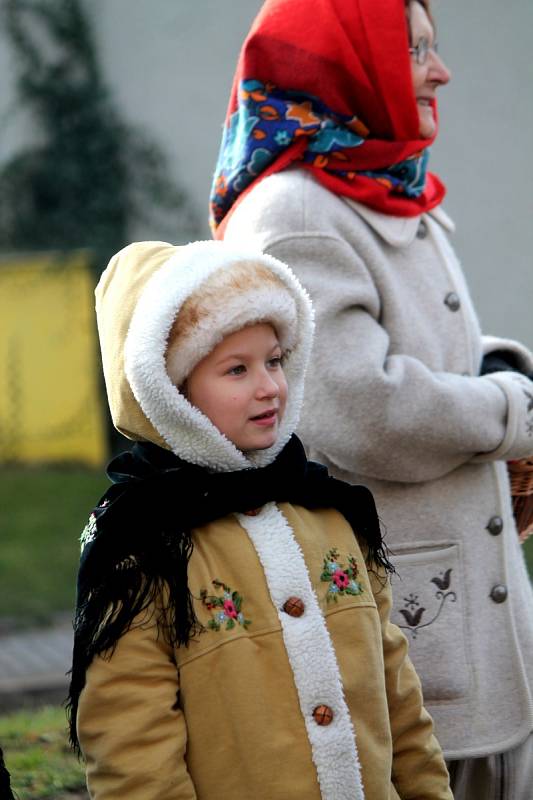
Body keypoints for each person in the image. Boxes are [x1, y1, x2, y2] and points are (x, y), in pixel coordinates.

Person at [209, 0, 533, 797]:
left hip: (459, 589)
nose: (439, 71)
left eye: (433, 47)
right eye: (412, 48)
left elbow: (414, 352)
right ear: (344, 61)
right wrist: (511, 411)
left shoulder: (381, 184)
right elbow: (361, 410)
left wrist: (493, 367)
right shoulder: (293, 210)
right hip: (408, 601)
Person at [68, 239, 453, 799]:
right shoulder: (142, 547)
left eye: (274, 360)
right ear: (168, 392)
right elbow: (131, 750)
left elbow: (398, 697)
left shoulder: (331, 514)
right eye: (236, 369)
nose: (270, 385)